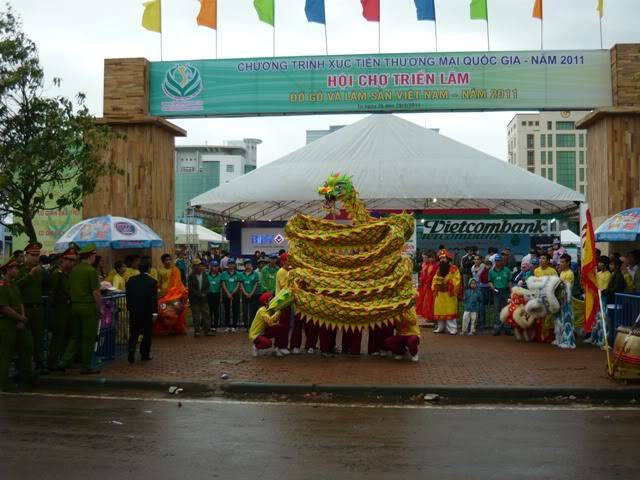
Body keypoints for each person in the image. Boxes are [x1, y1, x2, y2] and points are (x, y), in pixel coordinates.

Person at [59, 244, 102, 374]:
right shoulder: (91, 271)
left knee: (75, 336)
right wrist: (99, 309)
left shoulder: (74, 270)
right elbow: (96, 293)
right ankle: (86, 366)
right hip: (88, 307)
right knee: (88, 337)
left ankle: (64, 361)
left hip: (74, 306)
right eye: (94, 255)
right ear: (91, 256)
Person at [0, 258, 35, 392]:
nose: (17, 270)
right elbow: (3, 307)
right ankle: (4, 383)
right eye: (14, 268)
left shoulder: (13, 285)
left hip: (18, 321)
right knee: (6, 354)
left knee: (26, 346)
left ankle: (26, 375)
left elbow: (20, 303)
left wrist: (22, 318)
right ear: (7, 270)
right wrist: (20, 317)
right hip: (6, 322)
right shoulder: (2, 285)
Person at [16, 242, 46, 372]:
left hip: (38, 308)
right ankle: (23, 366)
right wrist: (29, 276)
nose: (36, 258)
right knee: (24, 340)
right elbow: (14, 286)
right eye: (33, 255)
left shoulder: (41, 271)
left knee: (39, 338)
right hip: (24, 308)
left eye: (38, 255)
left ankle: (40, 363)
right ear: (26, 255)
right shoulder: (18, 269)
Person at [47, 248, 77, 371]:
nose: (72, 263)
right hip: (59, 309)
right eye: (70, 260)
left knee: (67, 335)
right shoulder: (57, 274)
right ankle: (52, 362)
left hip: (67, 308)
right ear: (63, 260)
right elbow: (52, 294)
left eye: (74, 260)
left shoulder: (68, 274)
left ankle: (65, 361)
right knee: (57, 337)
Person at [125, 259, 158, 363]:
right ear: (149, 269)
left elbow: (128, 295)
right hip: (147, 312)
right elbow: (153, 299)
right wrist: (154, 312)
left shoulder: (131, 280)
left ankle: (131, 350)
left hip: (134, 311)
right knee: (147, 334)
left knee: (134, 332)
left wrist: (129, 307)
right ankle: (144, 354)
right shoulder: (152, 281)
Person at [249, 292, 290, 357]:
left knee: (280, 328)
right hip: (256, 335)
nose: (273, 300)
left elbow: (273, 321)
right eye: (271, 299)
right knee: (268, 344)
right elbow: (270, 321)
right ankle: (256, 346)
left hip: (264, 331)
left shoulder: (269, 309)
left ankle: (276, 348)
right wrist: (278, 312)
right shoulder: (262, 310)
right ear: (266, 302)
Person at [432, 250, 461, 335]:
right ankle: (440, 328)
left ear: (448, 259)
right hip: (440, 294)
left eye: (444, 258)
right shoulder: (438, 269)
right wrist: (436, 284)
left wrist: (448, 282)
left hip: (449, 294)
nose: (442, 260)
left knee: (449, 311)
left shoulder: (454, 268)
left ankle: (452, 329)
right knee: (440, 311)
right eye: (440, 258)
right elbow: (434, 279)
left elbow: (457, 279)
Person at [533, 253, 558, 343]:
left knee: (549, 316)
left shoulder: (552, 271)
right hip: (539, 297)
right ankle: (540, 335)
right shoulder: (536, 270)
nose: (541, 260)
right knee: (539, 315)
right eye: (540, 258)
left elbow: (556, 284)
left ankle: (549, 336)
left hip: (549, 297)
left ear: (548, 261)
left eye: (543, 258)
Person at [553, 253, 576, 349]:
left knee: (567, 321)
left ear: (568, 263)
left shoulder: (570, 273)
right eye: (560, 262)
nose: (560, 264)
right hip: (560, 300)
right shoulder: (562, 273)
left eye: (562, 262)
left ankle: (568, 341)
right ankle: (560, 339)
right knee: (560, 320)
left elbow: (566, 288)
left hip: (566, 300)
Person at [489, 254, 512, 336]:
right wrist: (491, 286)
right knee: (497, 310)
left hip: (505, 291)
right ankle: (497, 328)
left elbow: (509, 281)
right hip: (496, 292)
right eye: (496, 261)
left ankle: (507, 328)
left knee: (507, 310)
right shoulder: (491, 271)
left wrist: (511, 291)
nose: (497, 262)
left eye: (499, 260)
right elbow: (490, 281)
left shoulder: (507, 270)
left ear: (502, 261)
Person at [187, 259, 210, 337]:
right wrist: (200, 294)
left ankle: (207, 331)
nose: (199, 267)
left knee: (206, 315)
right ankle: (197, 331)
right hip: (195, 299)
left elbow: (207, 285)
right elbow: (191, 288)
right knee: (196, 316)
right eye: (197, 265)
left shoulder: (205, 275)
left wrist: (204, 293)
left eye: (200, 265)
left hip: (204, 299)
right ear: (194, 267)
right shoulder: (191, 276)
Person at [221, 258, 241, 332]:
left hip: (235, 294)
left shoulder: (238, 274)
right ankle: (227, 325)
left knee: (235, 310)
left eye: (232, 264)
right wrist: (228, 293)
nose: (231, 265)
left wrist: (232, 293)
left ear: (235, 265)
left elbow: (238, 284)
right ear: (227, 265)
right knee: (227, 310)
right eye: (229, 264)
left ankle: (234, 326)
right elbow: (223, 284)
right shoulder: (224, 274)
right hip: (226, 294)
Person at [240, 259, 260, 330]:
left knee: (252, 310)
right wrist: (245, 293)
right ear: (244, 266)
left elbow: (255, 284)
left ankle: (252, 325)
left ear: (251, 265)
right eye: (246, 264)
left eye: (249, 264)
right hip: (244, 294)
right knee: (245, 310)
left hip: (253, 295)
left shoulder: (255, 274)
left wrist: (251, 293)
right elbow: (241, 284)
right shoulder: (241, 274)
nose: (248, 265)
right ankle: (246, 325)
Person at [206, 260, 222, 333]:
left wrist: (221, 297)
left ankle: (215, 326)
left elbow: (222, 287)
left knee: (216, 311)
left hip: (217, 294)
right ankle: (209, 325)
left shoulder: (220, 275)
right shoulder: (207, 275)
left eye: (216, 266)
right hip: (209, 295)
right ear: (211, 267)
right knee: (209, 311)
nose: (215, 268)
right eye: (213, 266)